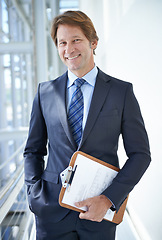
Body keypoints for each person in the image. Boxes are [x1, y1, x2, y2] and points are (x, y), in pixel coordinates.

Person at [24, 10, 151, 240]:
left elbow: (141, 154)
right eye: (62, 42)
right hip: (51, 212)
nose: (69, 49)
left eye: (76, 40)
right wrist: (34, 193)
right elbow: (33, 150)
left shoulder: (121, 92)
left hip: (98, 214)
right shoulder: (45, 93)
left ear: (93, 42)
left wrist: (109, 199)